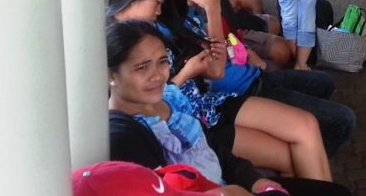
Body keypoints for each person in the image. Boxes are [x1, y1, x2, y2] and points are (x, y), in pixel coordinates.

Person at [109, 0, 356, 159]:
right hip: (218, 105)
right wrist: (212, 9)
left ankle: (316, 160)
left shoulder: (174, 20)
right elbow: (213, 73)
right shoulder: (145, 35)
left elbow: (224, 49)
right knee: (338, 121)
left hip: (233, 89)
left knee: (323, 88)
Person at [106, 20, 352, 194]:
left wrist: (254, 181)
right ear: (110, 75)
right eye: (141, 67)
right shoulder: (123, 135)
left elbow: (211, 147)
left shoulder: (169, 99)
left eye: (161, 62)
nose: (157, 75)